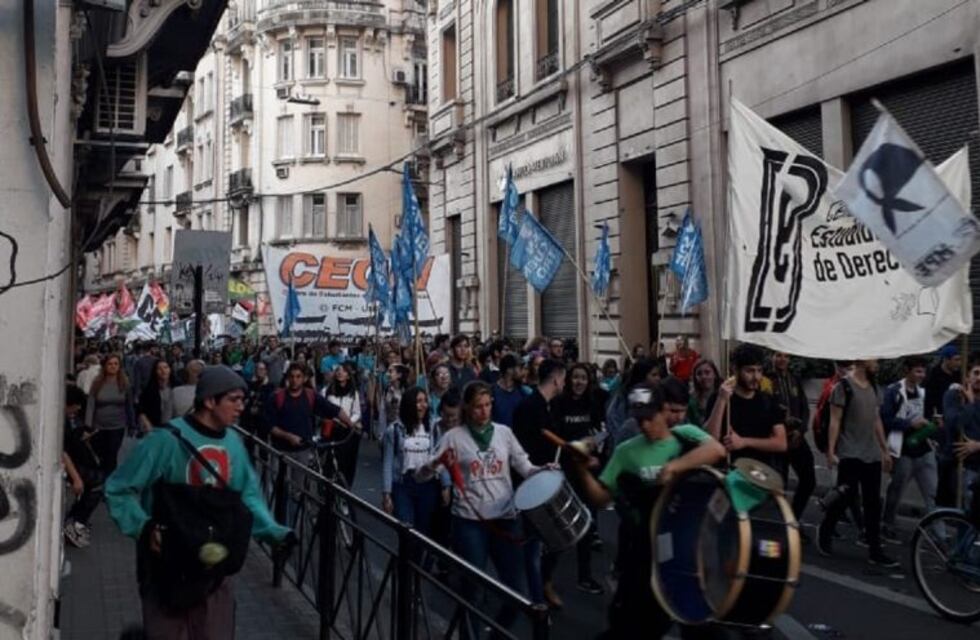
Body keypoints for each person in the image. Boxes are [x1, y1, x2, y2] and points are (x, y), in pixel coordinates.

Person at [105, 365, 293, 639]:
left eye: (242, 400)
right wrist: (144, 527)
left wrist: (276, 533)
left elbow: (247, 497)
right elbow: (118, 489)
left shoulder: (234, 443)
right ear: (209, 401)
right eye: (233, 399)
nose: (241, 407)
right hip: (167, 573)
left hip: (214, 578)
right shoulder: (164, 440)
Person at [569, 383, 726, 639]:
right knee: (633, 626)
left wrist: (675, 466)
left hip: (688, 548)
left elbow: (716, 450)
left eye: (650, 418)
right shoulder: (626, 451)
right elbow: (601, 498)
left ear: (663, 410)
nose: (644, 425)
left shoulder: (685, 436)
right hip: (646, 550)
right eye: (639, 419)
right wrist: (582, 470)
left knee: (701, 623)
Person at [416, 382, 550, 636]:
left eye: (488, 405)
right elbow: (421, 476)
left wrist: (542, 471)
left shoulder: (504, 433)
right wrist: (434, 464)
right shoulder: (453, 437)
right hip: (469, 523)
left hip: (506, 519)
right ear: (467, 407)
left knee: (517, 593)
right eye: (478, 406)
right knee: (473, 592)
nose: (484, 411)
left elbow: (524, 466)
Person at [817, 359, 898, 568]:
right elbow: (835, 420)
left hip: (871, 452)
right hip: (850, 451)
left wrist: (884, 450)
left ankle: (875, 551)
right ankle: (825, 530)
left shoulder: (874, 387)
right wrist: (831, 451)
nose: (877, 362)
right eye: (874, 358)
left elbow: (876, 419)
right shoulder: (843, 387)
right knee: (845, 496)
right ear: (863, 360)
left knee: (873, 503)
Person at [512, 359, 566, 608]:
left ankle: (539, 590)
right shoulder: (529, 407)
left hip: (543, 480)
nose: (564, 384)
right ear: (555, 379)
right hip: (531, 484)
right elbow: (523, 451)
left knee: (549, 539)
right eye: (563, 379)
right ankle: (535, 602)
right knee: (533, 546)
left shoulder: (548, 406)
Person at [552, 363, 605, 595]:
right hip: (564, 471)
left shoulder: (593, 403)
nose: (579, 382)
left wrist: (595, 450)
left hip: (586, 471)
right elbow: (554, 434)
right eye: (575, 377)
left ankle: (585, 576)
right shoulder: (558, 403)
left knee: (586, 524)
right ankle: (546, 578)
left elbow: (600, 432)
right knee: (560, 527)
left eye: (583, 378)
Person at [880, 355, 937, 543]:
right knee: (896, 489)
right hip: (902, 449)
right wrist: (910, 424)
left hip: (923, 447)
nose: (921, 375)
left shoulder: (922, 392)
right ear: (907, 371)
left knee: (932, 491)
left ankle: (939, 533)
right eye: (918, 371)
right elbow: (886, 419)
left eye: (923, 371)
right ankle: (887, 524)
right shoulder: (894, 391)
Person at [705, 343, 787, 473]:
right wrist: (721, 400)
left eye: (759, 371)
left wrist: (743, 442)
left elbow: (781, 443)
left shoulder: (768, 401)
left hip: (759, 472)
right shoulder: (720, 397)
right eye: (749, 371)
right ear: (735, 370)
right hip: (729, 472)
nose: (756, 377)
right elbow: (709, 439)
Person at [382, 386, 448, 538]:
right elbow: (388, 462)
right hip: (403, 484)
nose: (423, 405)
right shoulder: (394, 429)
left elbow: (440, 456)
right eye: (418, 401)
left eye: (425, 401)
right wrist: (386, 493)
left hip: (428, 484)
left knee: (423, 531)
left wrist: (445, 484)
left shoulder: (433, 427)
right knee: (406, 529)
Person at [768, 352, 815, 523]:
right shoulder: (765, 380)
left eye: (786, 356)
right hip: (776, 441)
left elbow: (805, 409)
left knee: (809, 480)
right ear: (772, 357)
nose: (782, 359)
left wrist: (800, 431)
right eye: (778, 356)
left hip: (796, 439)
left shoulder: (794, 379)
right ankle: (780, 525)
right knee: (779, 486)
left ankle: (793, 520)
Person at [63, 384, 103, 549]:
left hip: (73, 461)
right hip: (70, 463)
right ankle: (75, 521)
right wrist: (76, 478)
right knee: (97, 485)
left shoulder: (65, 420)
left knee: (96, 483)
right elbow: (63, 452)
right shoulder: (62, 422)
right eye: (75, 406)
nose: (77, 409)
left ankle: (74, 520)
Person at [85, 353, 136, 476]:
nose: (113, 366)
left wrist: (132, 424)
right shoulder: (97, 383)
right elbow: (91, 404)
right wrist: (88, 425)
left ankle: (110, 480)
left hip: (117, 425)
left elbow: (129, 405)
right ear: (105, 366)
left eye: (116, 364)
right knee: (102, 455)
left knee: (112, 455)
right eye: (110, 364)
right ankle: (101, 478)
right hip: (99, 426)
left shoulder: (125, 383)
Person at [943, 356, 980, 510]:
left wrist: (977, 445)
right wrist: (970, 404)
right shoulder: (955, 396)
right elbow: (954, 424)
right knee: (964, 511)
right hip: (962, 465)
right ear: (967, 376)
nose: (979, 378)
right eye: (976, 373)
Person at [323, 363, 363, 487]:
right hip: (332, 429)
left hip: (347, 430)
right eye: (338, 370)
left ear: (348, 376)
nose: (340, 373)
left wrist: (349, 421)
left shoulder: (353, 393)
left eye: (344, 371)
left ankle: (345, 486)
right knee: (330, 460)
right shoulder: (327, 391)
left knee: (347, 461)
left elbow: (357, 412)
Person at [137, 359, 176, 434]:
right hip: (155, 427)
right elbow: (141, 409)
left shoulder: (177, 387)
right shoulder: (149, 389)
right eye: (159, 368)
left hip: (174, 426)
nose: (163, 371)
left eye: (165, 367)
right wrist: (146, 423)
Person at [491, 354, 524, 428]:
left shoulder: (522, 391)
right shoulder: (492, 392)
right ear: (509, 369)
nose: (521, 371)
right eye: (519, 367)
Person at [686, 359, 721, 426]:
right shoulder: (691, 401)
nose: (703, 376)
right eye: (699, 374)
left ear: (715, 375)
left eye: (707, 372)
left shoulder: (723, 397)